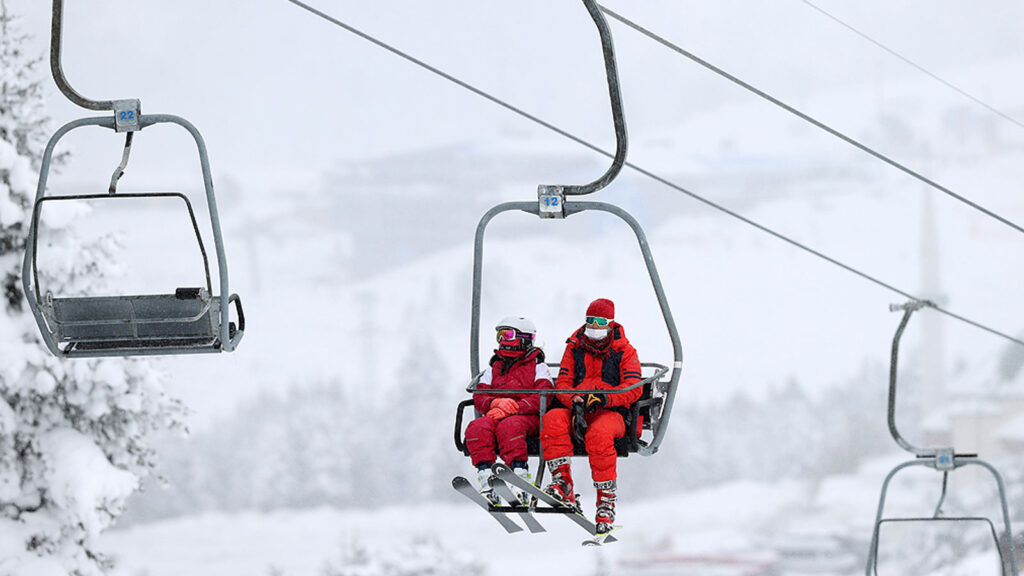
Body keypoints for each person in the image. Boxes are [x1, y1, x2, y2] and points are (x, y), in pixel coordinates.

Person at [540, 298, 642, 535]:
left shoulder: (624, 351)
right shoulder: (574, 347)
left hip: (611, 413)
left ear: (610, 324)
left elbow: (633, 387)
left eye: (600, 322)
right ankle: (562, 482)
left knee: (599, 434)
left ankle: (606, 501)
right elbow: (564, 382)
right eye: (590, 321)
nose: (594, 327)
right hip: (577, 408)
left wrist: (605, 398)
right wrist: (573, 398)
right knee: (554, 419)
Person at [465, 316, 553, 505]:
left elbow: (544, 395)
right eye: (500, 335)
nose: (503, 340)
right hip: (498, 414)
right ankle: (486, 476)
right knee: (477, 427)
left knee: (510, 426)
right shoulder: (495, 366)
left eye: (508, 334)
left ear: (525, 338)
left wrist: (515, 408)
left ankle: (520, 475)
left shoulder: (537, 366)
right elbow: (479, 396)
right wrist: (494, 403)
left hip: (527, 418)